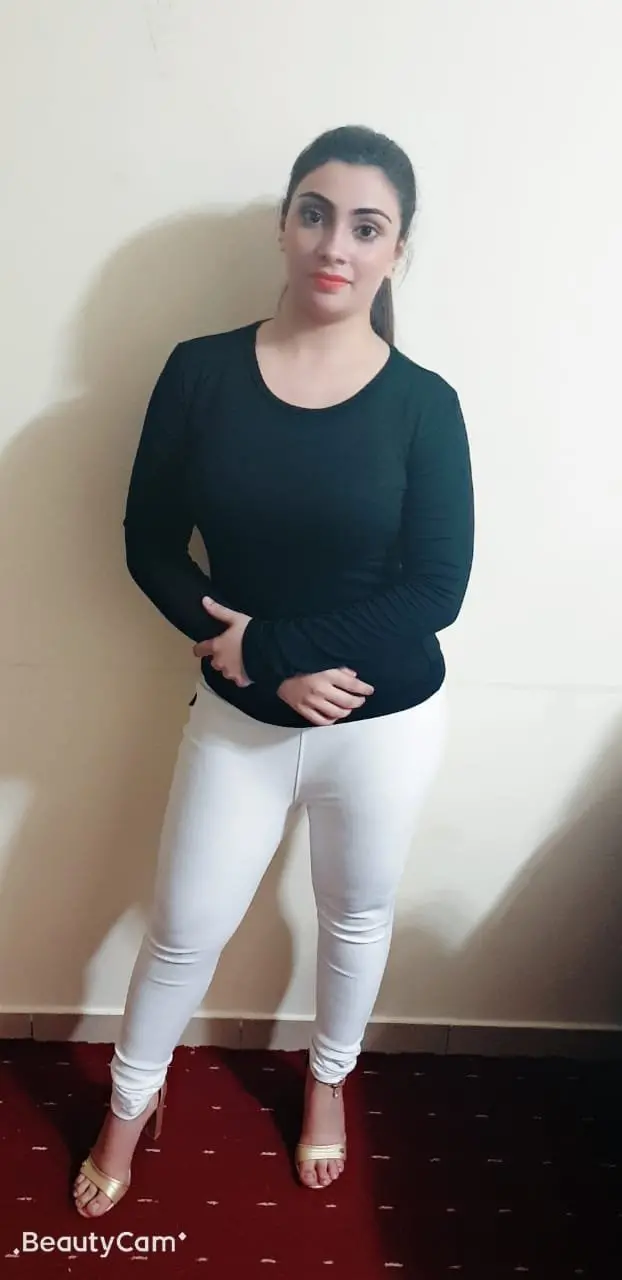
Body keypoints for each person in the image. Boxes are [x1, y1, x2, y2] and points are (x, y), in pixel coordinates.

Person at [73, 124, 474, 1217]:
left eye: (366, 226)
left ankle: (328, 1082)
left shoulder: (424, 404)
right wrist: (251, 666)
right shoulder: (200, 371)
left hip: (383, 721)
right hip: (239, 715)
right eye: (314, 213)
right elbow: (150, 541)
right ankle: (129, 1103)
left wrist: (273, 647)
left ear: (397, 251)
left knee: (354, 916)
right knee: (183, 927)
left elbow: (436, 590)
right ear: (284, 226)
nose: (335, 243)